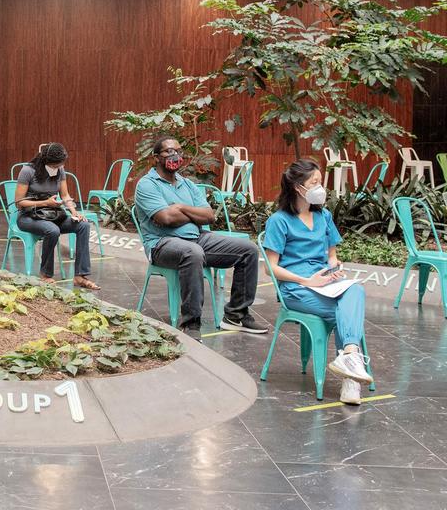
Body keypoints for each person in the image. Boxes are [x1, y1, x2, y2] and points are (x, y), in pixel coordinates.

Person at [133, 136, 267, 341]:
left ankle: (236, 315)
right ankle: (191, 323)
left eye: (178, 151)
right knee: (192, 252)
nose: (175, 155)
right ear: (156, 158)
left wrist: (180, 207)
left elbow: (209, 216)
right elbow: (165, 218)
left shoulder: (187, 184)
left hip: (198, 237)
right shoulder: (147, 184)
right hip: (161, 243)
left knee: (247, 249)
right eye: (169, 151)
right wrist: (191, 214)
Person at [263, 158, 373, 405]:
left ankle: (349, 359)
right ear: (297, 187)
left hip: (324, 283)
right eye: (314, 183)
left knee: (355, 290)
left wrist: (335, 269)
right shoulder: (279, 221)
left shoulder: (324, 215)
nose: (320, 188)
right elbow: (271, 269)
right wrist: (307, 280)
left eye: (320, 182)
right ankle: (351, 381)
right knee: (344, 313)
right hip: (295, 288)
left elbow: (332, 255)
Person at [14, 143, 98, 289]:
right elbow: (19, 203)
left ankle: (80, 275)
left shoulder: (60, 170)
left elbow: (65, 195)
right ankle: (45, 274)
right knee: (52, 230)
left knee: (83, 225)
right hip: (28, 216)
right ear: (47, 162)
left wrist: (74, 212)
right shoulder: (28, 171)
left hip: (53, 214)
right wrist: (45, 202)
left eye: (61, 164)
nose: (59, 167)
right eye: (56, 165)